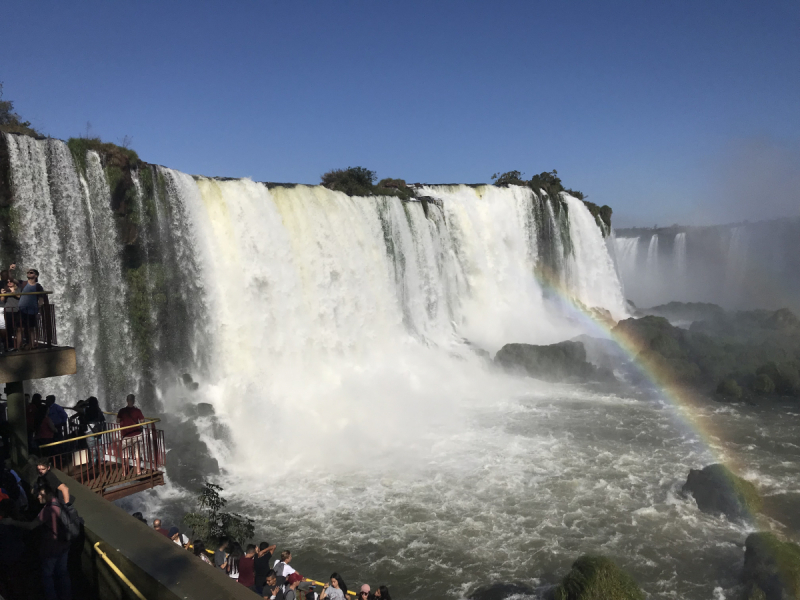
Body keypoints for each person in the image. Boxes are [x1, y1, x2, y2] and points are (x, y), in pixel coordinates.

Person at [18, 268, 47, 350]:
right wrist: (10, 270)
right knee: (20, 328)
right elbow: (12, 279)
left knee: (31, 328)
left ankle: (31, 345)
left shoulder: (38, 286)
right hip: (22, 309)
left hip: (32, 310)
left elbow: (41, 299)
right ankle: (18, 347)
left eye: (31, 272)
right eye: (28, 272)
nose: (29, 274)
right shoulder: (23, 283)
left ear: (36, 275)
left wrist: (39, 311)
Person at [117, 394, 145, 476]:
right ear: (134, 401)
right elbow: (142, 421)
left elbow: (117, 421)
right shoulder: (137, 411)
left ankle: (124, 472)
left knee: (125, 454)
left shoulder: (122, 411)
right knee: (137, 453)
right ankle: (139, 471)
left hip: (126, 435)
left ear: (127, 400)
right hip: (137, 434)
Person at [82, 397, 106, 470]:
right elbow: (103, 420)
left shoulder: (86, 410)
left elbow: (75, 408)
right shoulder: (98, 410)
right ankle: (101, 461)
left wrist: (85, 401)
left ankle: (93, 463)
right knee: (99, 446)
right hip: (98, 430)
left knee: (92, 448)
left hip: (89, 431)